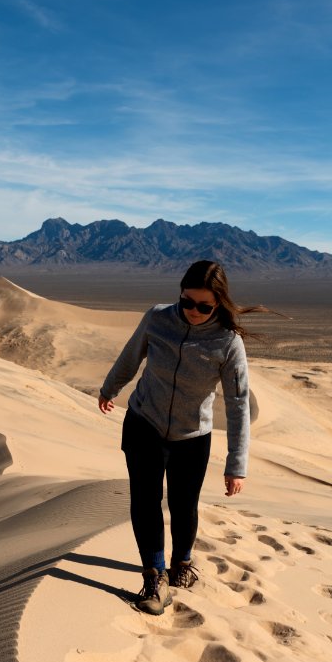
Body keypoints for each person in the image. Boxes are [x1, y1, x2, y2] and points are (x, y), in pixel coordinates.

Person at [98, 259, 263, 615]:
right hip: (144, 423)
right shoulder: (158, 318)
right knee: (145, 501)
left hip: (192, 436)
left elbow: (237, 405)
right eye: (187, 302)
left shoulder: (228, 342)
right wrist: (110, 389)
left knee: (184, 506)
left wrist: (237, 464)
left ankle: (182, 565)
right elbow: (131, 357)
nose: (193, 311)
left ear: (219, 302)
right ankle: (154, 576)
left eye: (204, 306)